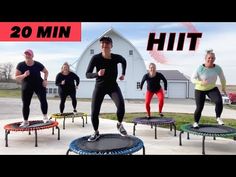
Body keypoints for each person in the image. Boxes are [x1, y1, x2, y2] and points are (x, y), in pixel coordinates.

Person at [86, 36, 127, 142]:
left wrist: (123, 73)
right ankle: (96, 132)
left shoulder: (116, 57)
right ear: (100, 46)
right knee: (94, 111)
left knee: (121, 105)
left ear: (111, 46)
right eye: (103, 43)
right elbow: (87, 74)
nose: (105, 45)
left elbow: (124, 61)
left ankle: (119, 124)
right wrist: (97, 74)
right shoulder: (95, 58)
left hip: (113, 86)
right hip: (100, 87)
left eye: (107, 43)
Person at [191, 49, 226, 128]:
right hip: (200, 89)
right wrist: (200, 82)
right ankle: (196, 122)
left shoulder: (217, 68)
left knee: (219, 101)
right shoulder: (200, 68)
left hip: (212, 88)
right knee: (199, 107)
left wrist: (223, 88)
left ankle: (218, 117)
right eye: (209, 58)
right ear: (205, 58)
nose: (211, 59)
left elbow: (222, 78)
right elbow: (192, 79)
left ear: (215, 59)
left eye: (212, 58)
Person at [15, 49, 50, 127]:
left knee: (43, 100)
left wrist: (45, 80)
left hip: (39, 85)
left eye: (29, 54)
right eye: (26, 54)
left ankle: (45, 117)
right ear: (24, 56)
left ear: (32, 56)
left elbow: (46, 72)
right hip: (27, 86)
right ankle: (25, 121)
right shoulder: (20, 65)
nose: (27, 56)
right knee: (26, 104)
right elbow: (16, 78)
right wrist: (24, 75)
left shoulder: (37, 64)